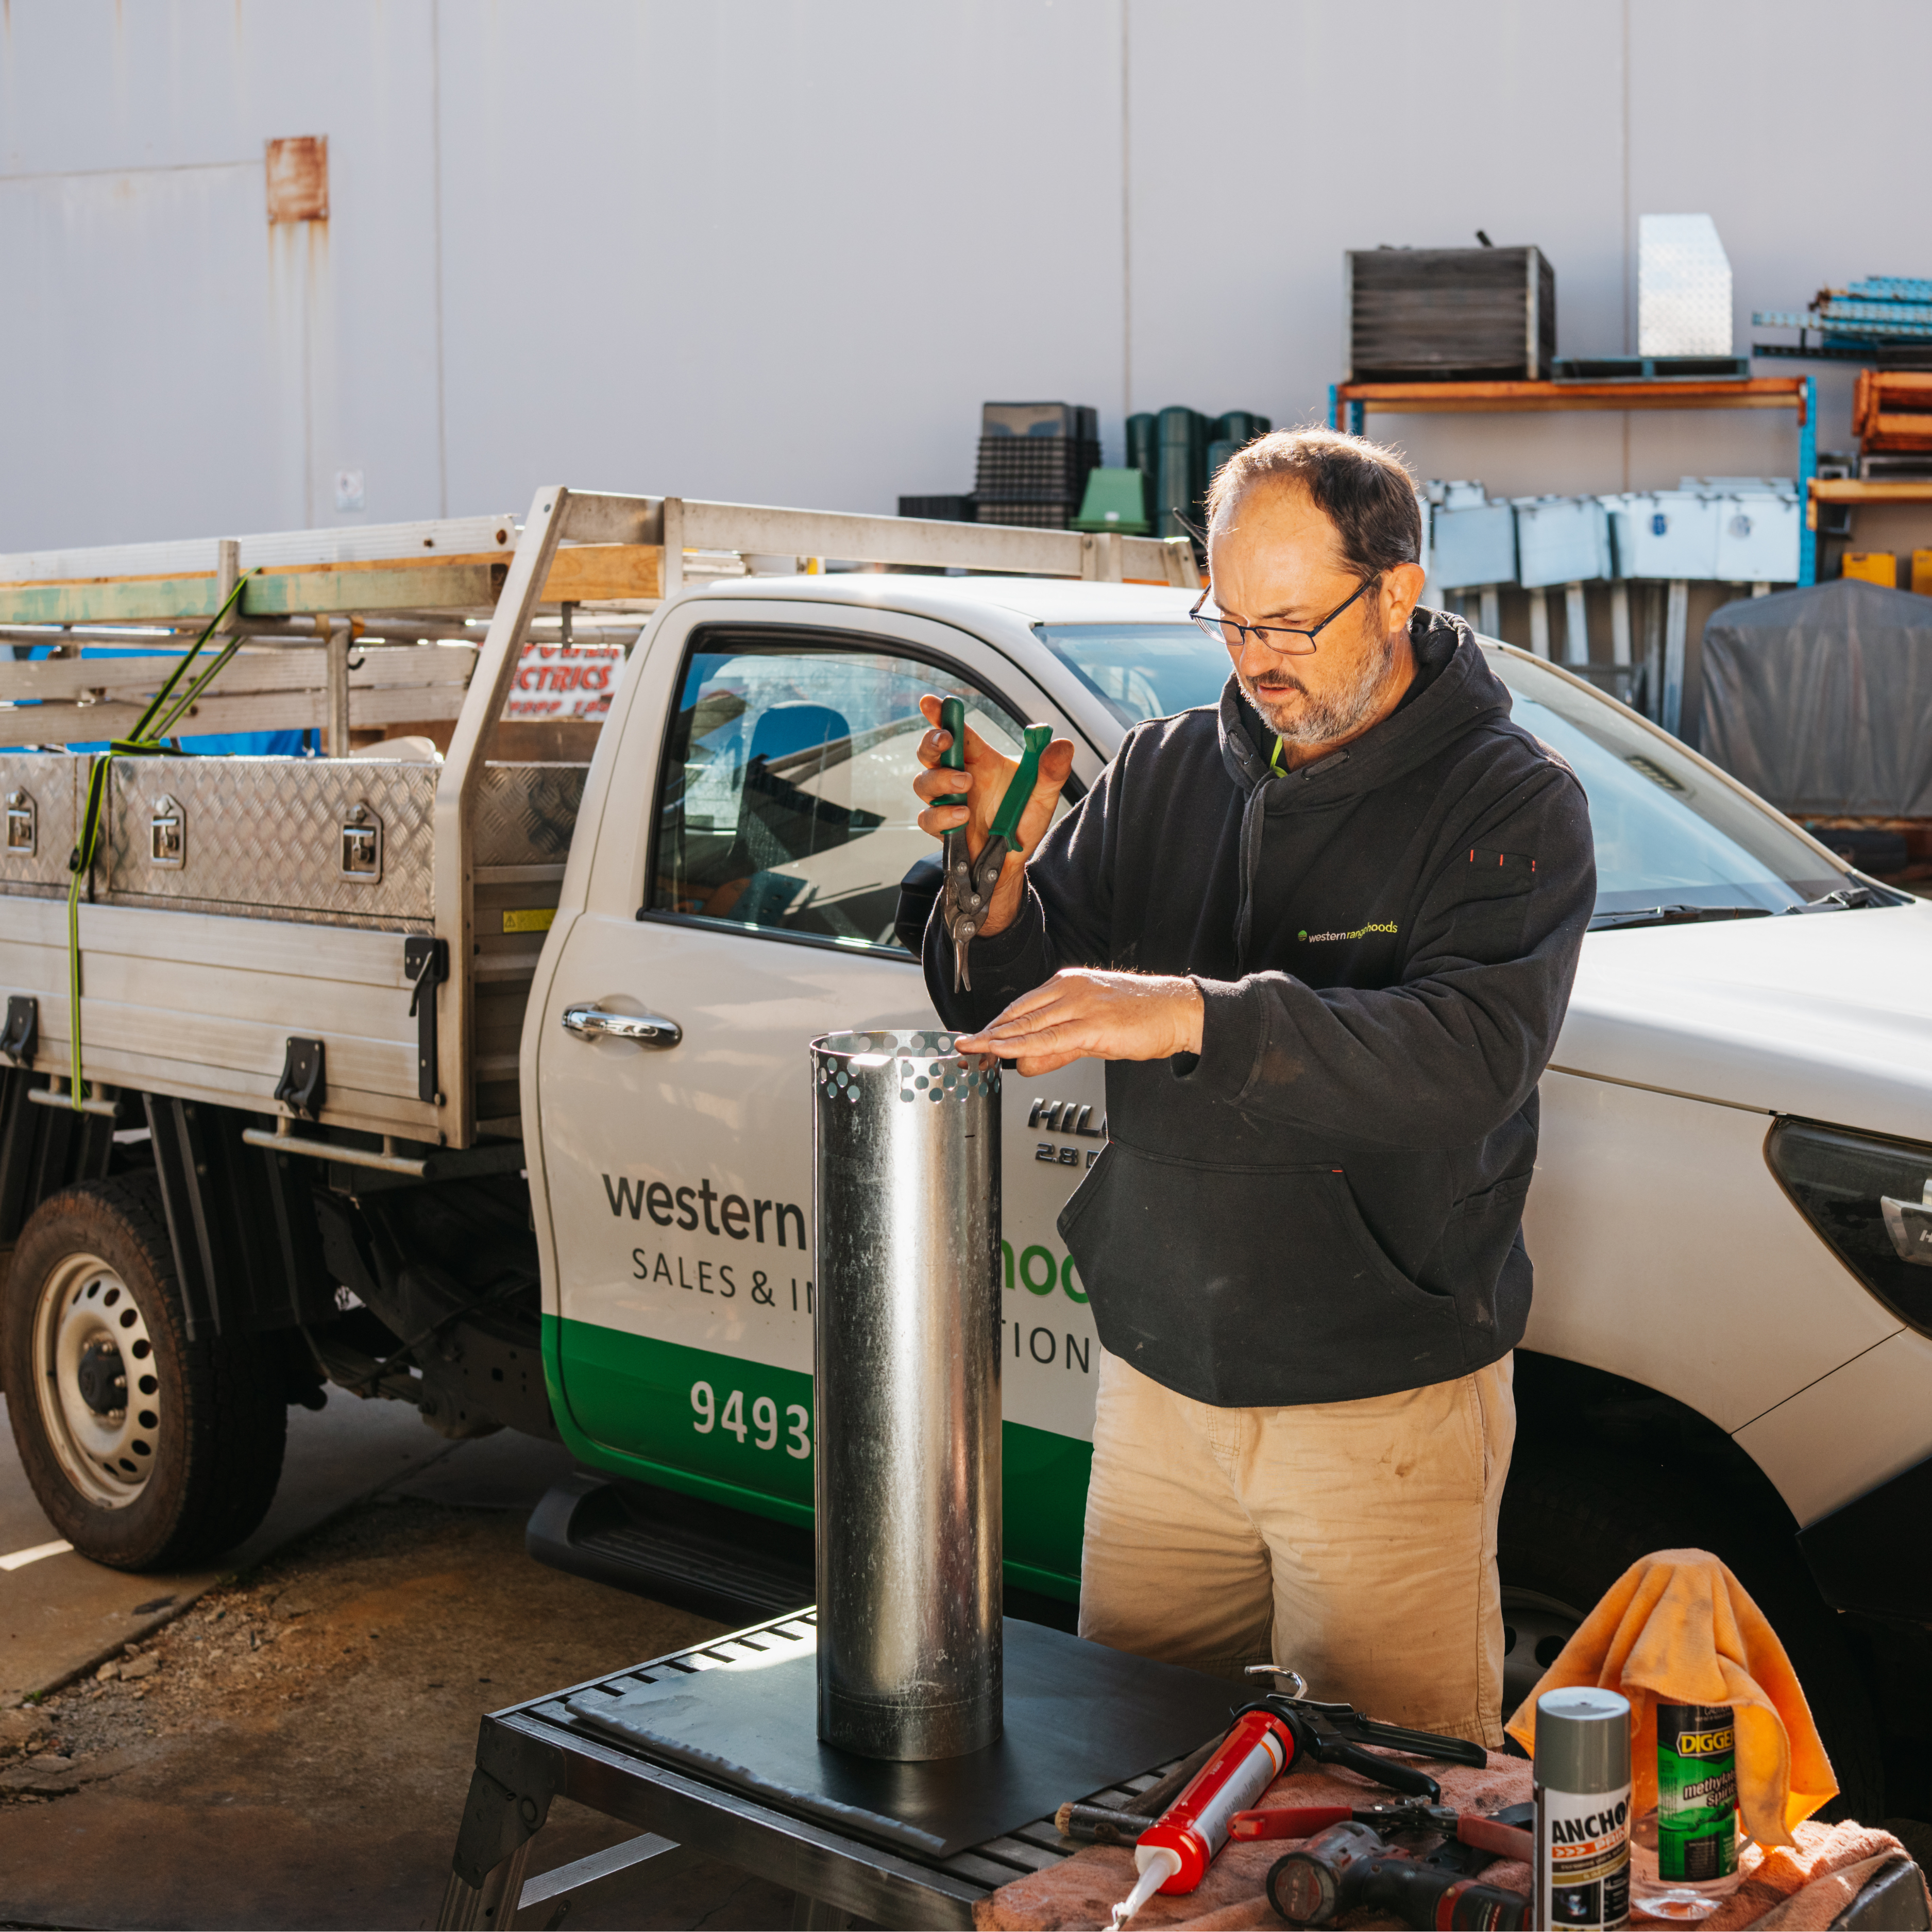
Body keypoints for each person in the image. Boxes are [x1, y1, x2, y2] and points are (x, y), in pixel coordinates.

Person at [911, 428, 1594, 1745]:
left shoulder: (1510, 802)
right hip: (1162, 1392)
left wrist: (1186, 1015)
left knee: (1387, 1811)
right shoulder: (1166, 771)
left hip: (1381, 1413)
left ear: (1397, 593)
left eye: (1291, 622)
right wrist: (991, 890)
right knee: (1130, 1779)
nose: (1255, 658)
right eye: (1230, 621)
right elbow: (1008, 1000)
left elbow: (1464, 1056)